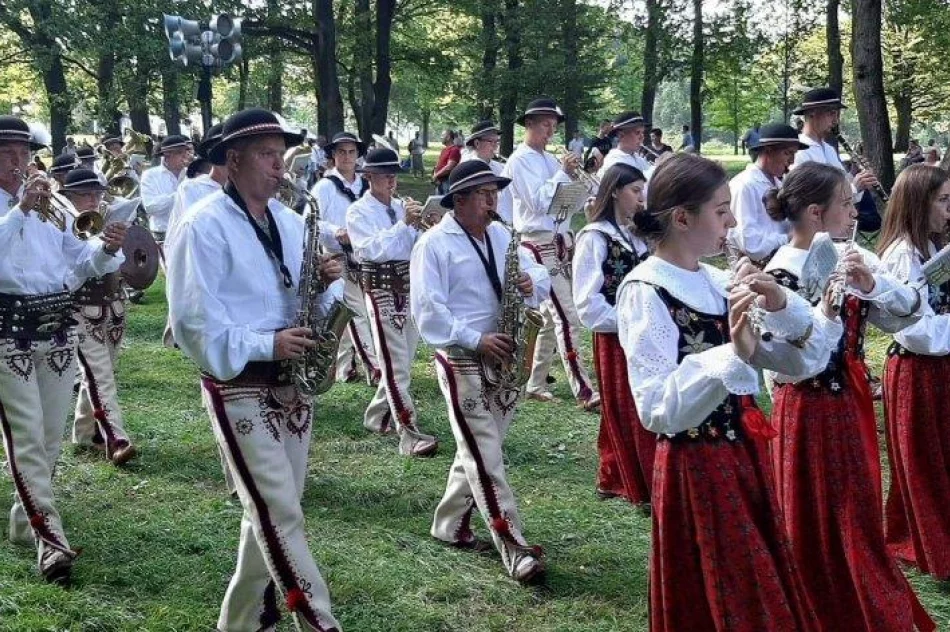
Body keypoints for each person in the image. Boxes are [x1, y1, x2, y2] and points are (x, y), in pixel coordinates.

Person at [618, 152, 839, 631]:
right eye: (721, 211)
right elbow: (656, 407)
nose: (733, 221)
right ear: (682, 218)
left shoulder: (718, 282)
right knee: (727, 588)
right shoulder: (645, 289)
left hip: (743, 455)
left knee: (758, 583)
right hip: (697, 464)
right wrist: (731, 356)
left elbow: (803, 360)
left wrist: (780, 302)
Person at [167, 108, 342, 632]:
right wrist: (267, 343)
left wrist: (324, 282)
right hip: (239, 384)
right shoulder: (202, 226)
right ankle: (321, 622)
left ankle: (240, 624)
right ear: (234, 159)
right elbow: (195, 324)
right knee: (281, 513)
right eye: (268, 155)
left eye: (280, 154)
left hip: (292, 385)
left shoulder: (290, 222)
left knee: (268, 512)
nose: (279, 166)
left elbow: (302, 296)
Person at [763, 162, 933, 631]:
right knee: (824, 511)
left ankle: (860, 591)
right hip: (810, 406)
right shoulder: (779, 275)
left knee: (856, 507)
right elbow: (781, 365)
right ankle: (832, 599)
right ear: (816, 213)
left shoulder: (849, 256)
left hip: (850, 398)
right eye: (845, 202)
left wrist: (870, 284)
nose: (854, 209)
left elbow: (905, 313)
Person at [0, 115, 127, 584]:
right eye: (8, 153)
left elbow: (82, 263)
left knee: (51, 435)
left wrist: (106, 247)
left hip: (55, 329)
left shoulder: (51, 208)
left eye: (23, 153)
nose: (19, 162)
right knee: (27, 435)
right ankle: (50, 540)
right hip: (6, 330)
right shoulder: (18, 209)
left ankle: (24, 518)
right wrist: (19, 210)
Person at [412, 160, 550, 582]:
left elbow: (538, 273)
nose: (494, 200)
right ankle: (513, 545)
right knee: (486, 454)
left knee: (477, 448)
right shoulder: (433, 245)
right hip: (462, 357)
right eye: (485, 193)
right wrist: (475, 339)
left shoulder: (502, 235)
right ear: (459, 199)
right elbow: (427, 311)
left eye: (495, 192)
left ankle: (449, 524)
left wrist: (531, 283)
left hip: (504, 355)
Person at [500, 97, 600, 411]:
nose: (550, 132)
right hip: (536, 245)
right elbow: (538, 203)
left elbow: (563, 204)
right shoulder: (519, 161)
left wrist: (581, 181)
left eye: (554, 126)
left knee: (548, 318)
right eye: (545, 125)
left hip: (559, 242)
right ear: (529, 124)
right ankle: (584, 389)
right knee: (567, 317)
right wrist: (562, 174)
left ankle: (535, 382)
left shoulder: (548, 160)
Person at [878, 165, 950, 581]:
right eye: (942, 200)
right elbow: (916, 331)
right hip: (918, 371)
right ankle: (936, 548)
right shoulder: (902, 255)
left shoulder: (932, 246)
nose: (948, 209)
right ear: (919, 203)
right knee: (925, 460)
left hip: (939, 366)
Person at [346, 148, 440, 457]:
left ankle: (376, 416)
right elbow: (371, 250)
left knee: (401, 364)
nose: (391, 180)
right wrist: (404, 225)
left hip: (409, 288)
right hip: (381, 289)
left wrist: (429, 225)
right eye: (384, 175)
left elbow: (418, 247)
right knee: (395, 365)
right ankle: (408, 432)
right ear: (369, 177)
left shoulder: (402, 206)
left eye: (393, 174)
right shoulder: (358, 212)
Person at [572, 164, 653, 506]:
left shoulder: (636, 233)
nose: (641, 198)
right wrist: (627, 321)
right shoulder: (594, 237)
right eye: (636, 191)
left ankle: (623, 473)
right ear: (616, 191)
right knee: (624, 405)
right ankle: (627, 476)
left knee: (644, 399)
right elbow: (587, 304)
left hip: (645, 330)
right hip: (616, 334)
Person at [56, 168, 137, 466]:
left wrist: (113, 244)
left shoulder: (105, 219)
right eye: (85, 194)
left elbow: (123, 262)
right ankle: (115, 437)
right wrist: (102, 248)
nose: (93, 200)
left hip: (113, 306)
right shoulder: (60, 225)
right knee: (99, 375)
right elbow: (70, 277)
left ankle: (84, 432)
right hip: (80, 308)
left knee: (101, 373)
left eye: (97, 193)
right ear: (69, 197)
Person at [311, 131, 380, 386]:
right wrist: (335, 231)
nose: (347, 157)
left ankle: (344, 366)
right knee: (357, 311)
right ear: (333, 155)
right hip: (336, 257)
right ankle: (374, 366)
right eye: (341, 152)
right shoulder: (325, 187)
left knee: (352, 312)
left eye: (352, 152)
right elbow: (310, 220)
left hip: (364, 256)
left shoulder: (366, 186)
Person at [727, 123, 806, 263]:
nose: (792, 161)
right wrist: (790, 237)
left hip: (783, 262)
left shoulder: (780, 183)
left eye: (794, 154)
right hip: (755, 272)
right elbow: (750, 246)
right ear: (768, 151)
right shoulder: (745, 185)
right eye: (787, 153)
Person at [791, 87, 878, 203]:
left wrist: (854, 174)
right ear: (812, 113)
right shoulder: (798, 151)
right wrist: (855, 188)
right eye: (831, 113)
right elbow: (810, 198)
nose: (835, 120)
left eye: (837, 115)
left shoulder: (829, 149)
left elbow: (841, 187)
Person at [140, 134, 193, 254]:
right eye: (180, 153)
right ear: (167, 155)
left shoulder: (191, 174)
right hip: (164, 233)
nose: (186, 156)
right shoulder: (150, 175)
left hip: (189, 230)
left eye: (186, 151)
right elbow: (150, 207)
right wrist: (182, 192)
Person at [462, 120, 514, 226]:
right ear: (477, 143)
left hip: (503, 223)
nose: (495, 147)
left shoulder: (499, 167)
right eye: (491, 142)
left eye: (497, 142)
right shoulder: (467, 167)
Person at [597, 111, 651, 179]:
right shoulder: (615, 162)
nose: (642, 137)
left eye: (642, 132)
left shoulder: (638, 158)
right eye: (637, 133)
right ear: (621, 136)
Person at [432, 129, 461, 194]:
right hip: (440, 182)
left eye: (443, 135)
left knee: (445, 202)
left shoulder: (454, 149)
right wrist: (435, 175)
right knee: (438, 202)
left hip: (447, 182)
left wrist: (436, 175)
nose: (441, 137)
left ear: (448, 137)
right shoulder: (444, 150)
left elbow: (449, 167)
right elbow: (438, 165)